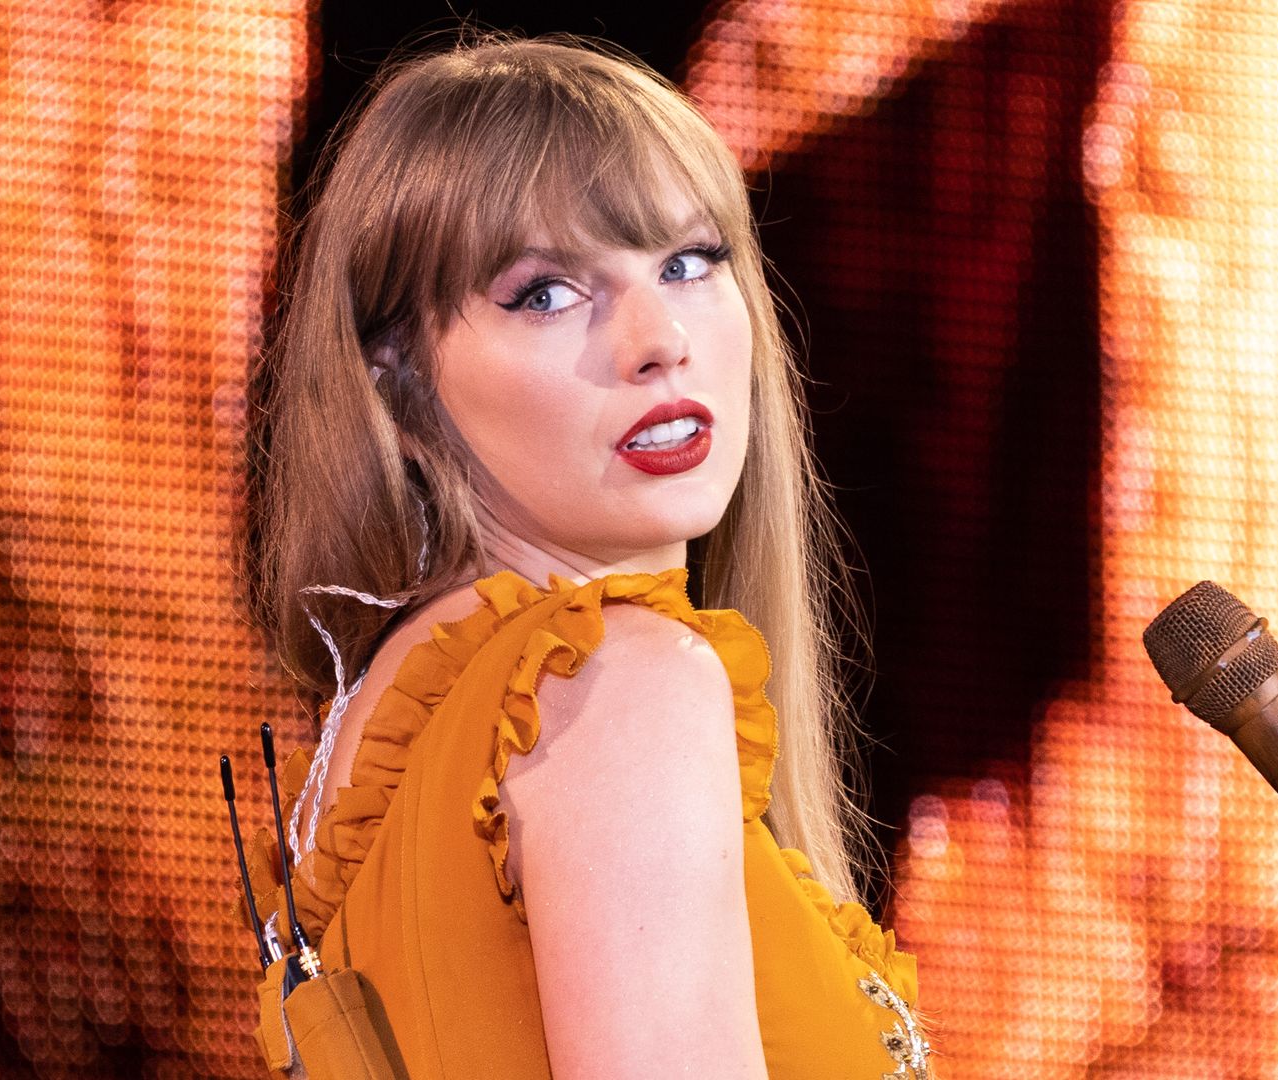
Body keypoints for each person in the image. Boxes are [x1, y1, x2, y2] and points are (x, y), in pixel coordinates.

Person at [240, 33, 932, 1079]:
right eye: (546, 294)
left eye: (691, 262)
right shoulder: (615, 684)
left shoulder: (390, 718)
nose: (659, 336)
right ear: (399, 379)